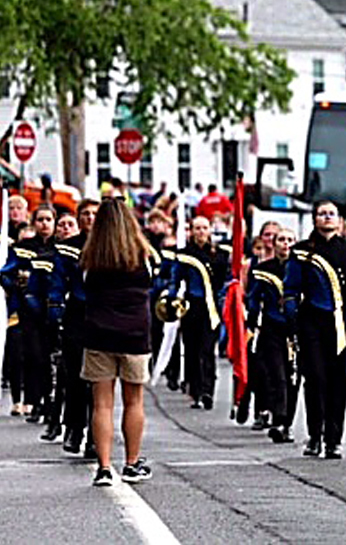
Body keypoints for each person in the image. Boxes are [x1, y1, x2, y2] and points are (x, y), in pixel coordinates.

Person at [79, 198, 155, 487]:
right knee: (134, 401)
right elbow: (151, 285)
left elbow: (84, 288)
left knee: (102, 404)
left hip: (99, 333)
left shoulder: (91, 257)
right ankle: (132, 463)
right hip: (135, 335)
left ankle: (104, 466)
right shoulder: (142, 255)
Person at [283, 200, 346, 459]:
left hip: (340, 323)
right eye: (322, 214)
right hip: (311, 322)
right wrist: (292, 322)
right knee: (315, 380)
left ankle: (334, 439)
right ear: (314, 219)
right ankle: (315, 435)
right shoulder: (300, 251)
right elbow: (291, 289)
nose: (327, 217)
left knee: (338, 381)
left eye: (332, 214)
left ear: (339, 220)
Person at [1, 206, 60, 433]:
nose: (45, 224)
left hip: (54, 310)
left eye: (49, 219)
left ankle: (53, 403)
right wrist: (18, 286)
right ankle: (36, 401)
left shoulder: (61, 249)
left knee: (55, 360)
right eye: (40, 220)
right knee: (35, 357)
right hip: (30, 310)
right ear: (34, 223)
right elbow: (6, 274)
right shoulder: (23, 249)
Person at [162, 215, 229, 410]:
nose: (201, 232)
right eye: (197, 228)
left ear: (210, 231)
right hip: (192, 306)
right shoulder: (184, 254)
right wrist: (171, 300)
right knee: (191, 350)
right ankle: (196, 390)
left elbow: (227, 280)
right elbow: (176, 278)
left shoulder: (220, 255)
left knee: (207, 350)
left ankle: (208, 391)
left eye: (204, 228)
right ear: (191, 231)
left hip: (212, 308)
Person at [51, 199, 97, 456]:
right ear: (79, 219)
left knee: (98, 380)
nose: (90, 218)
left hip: (102, 316)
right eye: (85, 214)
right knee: (76, 376)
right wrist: (55, 308)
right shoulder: (67, 249)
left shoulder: (108, 247)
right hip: (77, 315)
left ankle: (94, 433)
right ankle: (75, 428)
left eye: (94, 214)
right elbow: (58, 281)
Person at [247, 228, 299, 444]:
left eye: (289, 240)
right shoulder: (262, 269)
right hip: (271, 328)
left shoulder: (301, 269)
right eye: (281, 240)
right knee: (276, 374)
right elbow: (253, 296)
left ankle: (288, 423)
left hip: (295, 329)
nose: (285, 244)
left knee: (293, 378)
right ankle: (277, 418)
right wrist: (251, 322)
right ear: (274, 244)